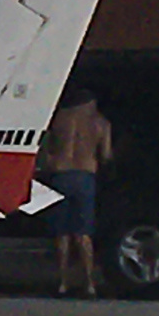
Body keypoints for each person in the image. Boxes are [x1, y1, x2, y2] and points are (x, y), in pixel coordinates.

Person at [41, 88, 113, 298]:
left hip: (60, 175)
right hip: (85, 176)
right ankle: (89, 283)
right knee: (83, 233)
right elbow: (107, 156)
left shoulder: (58, 119)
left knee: (62, 233)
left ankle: (63, 283)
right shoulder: (101, 123)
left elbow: (46, 151)